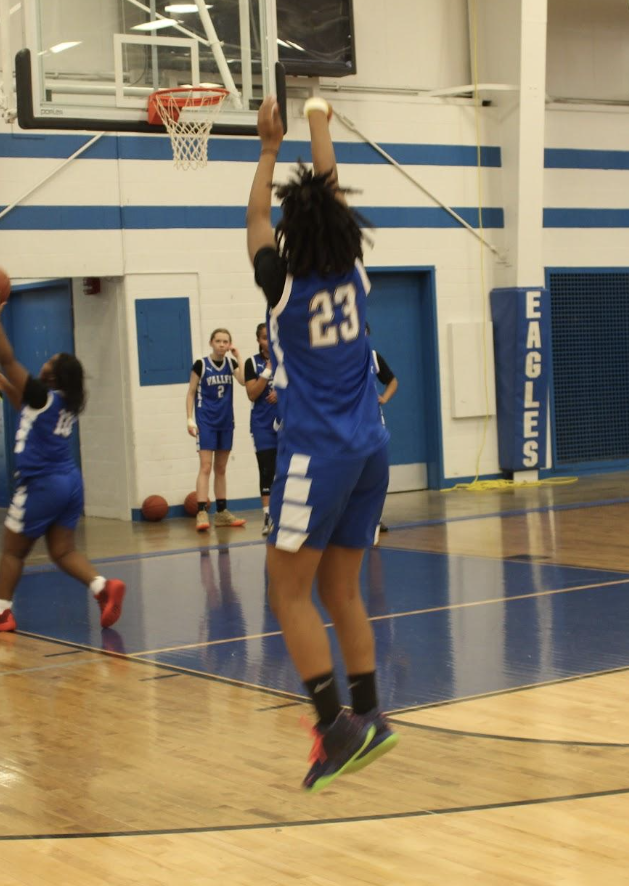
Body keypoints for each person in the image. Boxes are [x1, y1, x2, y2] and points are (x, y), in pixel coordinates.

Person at [246, 95, 399, 793]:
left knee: (287, 592)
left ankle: (336, 729)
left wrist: (269, 149)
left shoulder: (282, 286)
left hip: (316, 455)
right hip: (372, 448)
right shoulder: (354, 272)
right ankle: (371, 716)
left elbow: (254, 219)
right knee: (341, 588)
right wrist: (317, 127)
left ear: (289, 238)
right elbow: (331, 196)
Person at [0, 292, 126, 633]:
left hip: (42, 484)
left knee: (12, 550)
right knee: (61, 550)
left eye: (52, 360)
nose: (46, 359)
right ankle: (103, 587)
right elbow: (27, 409)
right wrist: (5, 385)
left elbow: (9, 358)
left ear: (53, 375)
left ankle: (0, 614)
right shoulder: (63, 400)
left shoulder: (43, 395)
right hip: (69, 483)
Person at [186, 328, 248, 531]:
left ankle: (221, 513)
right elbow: (191, 392)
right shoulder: (201, 365)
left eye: (225, 341)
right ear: (211, 342)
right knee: (205, 467)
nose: (222, 344)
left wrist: (238, 356)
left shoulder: (231, 363)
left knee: (221, 469)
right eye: (218, 341)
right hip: (206, 422)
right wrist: (189, 419)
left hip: (226, 421)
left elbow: (243, 381)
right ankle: (202, 512)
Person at [244, 322, 279, 536]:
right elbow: (251, 394)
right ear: (258, 340)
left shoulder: (286, 359)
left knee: (288, 470)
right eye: (265, 337)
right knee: (266, 470)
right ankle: (268, 516)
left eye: (272, 336)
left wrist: (282, 394)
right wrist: (266, 373)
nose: (269, 340)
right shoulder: (252, 363)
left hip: (286, 422)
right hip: (262, 425)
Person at [366, 323, 398, 534]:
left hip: (374, 423)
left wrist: (384, 398)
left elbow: (392, 381)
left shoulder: (374, 357)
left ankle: (375, 518)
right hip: (349, 426)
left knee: (377, 475)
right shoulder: (340, 359)